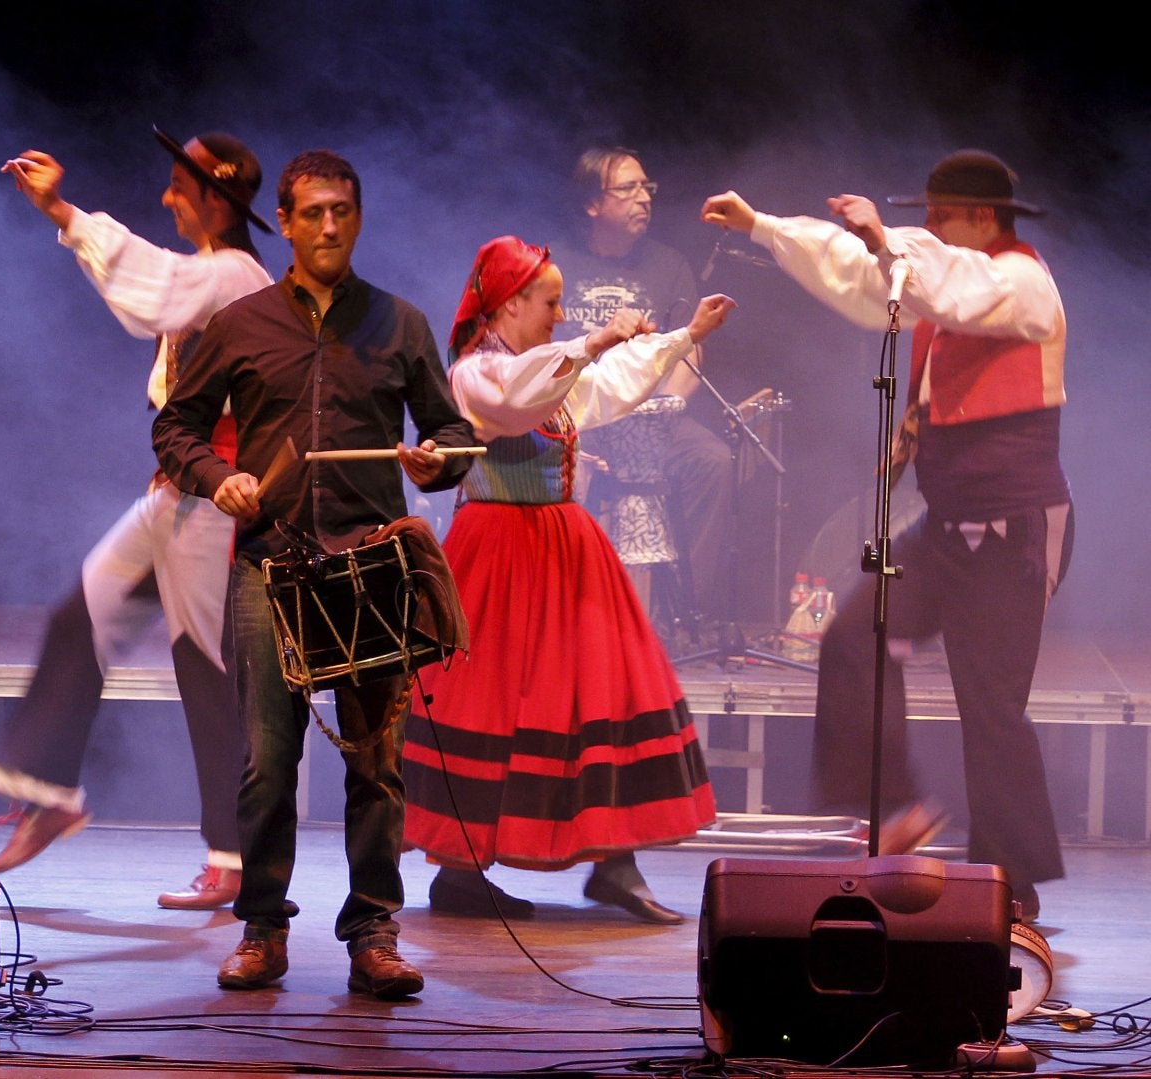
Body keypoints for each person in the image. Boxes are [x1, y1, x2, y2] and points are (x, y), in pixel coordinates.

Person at [701, 149, 1071, 921]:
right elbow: (868, 275)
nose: (928, 227)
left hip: (1015, 528)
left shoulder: (1022, 279)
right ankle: (898, 809)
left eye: (941, 215)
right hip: (946, 526)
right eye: (926, 216)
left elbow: (952, 289)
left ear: (983, 218)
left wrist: (886, 241)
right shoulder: (945, 274)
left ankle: (1016, 879)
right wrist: (765, 226)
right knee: (854, 635)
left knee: (991, 702)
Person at [154, 149, 477, 999]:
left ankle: (373, 931)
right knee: (267, 762)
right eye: (313, 214)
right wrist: (210, 475)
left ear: (357, 218)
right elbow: (174, 426)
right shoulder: (242, 321)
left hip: (369, 565)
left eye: (343, 210)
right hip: (272, 563)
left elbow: (452, 440)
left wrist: (436, 459)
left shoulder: (399, 323)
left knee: (377, 764)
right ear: (287, 224)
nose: (329, 226)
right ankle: (263, 926)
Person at [403, 237, 732, 924]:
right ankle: (462, 871)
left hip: (563, 547)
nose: (559, 313)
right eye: (549, 301)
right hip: (498, 551)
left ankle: (615, 862)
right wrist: (593, 340)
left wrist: (683, 336)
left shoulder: (546, 369)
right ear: (511, 301)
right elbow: (518, 400)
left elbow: (604, 387)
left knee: (600, 689)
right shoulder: (474, 373)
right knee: (489, 699)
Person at [0, 131, 273, 909]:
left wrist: (64, 212)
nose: (166, 198)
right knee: (82, 612)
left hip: (215, 499)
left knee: (207, 668)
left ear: (214, 199)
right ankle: (48, 792)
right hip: (173, 493)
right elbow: (159, 309)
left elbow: (156, 292)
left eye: (179, 188)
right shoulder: (211, 272)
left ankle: (233, 854)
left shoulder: (232, 273)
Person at [557, 147, 736, 627]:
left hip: (652, 420)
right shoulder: (556, 263)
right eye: (628, 188)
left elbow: (691, 350)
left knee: (712, 461)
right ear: (593, 203)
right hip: (574, 421)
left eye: (646, 188)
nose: (643, 198)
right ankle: (565, 612)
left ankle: (684, 609)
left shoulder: (669, 265)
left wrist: (660, 407)